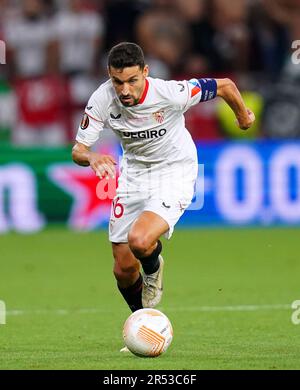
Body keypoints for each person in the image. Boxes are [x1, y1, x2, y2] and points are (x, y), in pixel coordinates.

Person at [72, 42, 255, 330]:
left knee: (140, 241)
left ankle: (154, 268)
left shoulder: (171, 93)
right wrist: (92, 156)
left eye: (132, 80)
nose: (125, 90)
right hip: (134, 175)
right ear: (109, 76)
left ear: (145, 72)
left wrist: (243, 116)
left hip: (174, 170)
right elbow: (78, 150)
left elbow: (226, 86)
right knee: (122, 268)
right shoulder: (102, 98)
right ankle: (141, 323)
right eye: (118, 82)